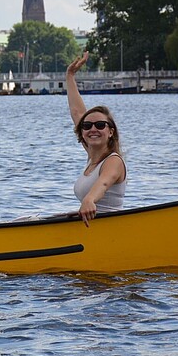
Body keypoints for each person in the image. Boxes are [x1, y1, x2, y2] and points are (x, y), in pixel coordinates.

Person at [66, 51, 127, 226]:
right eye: (87, 126)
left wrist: (89, 199)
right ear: (82, 132)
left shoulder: (113, 161)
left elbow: (104, 182)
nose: (93, 129)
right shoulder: (93, 156)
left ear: (111, 132)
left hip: (109, 230)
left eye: (100, 125)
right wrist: (70, 76)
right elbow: (77, 112)